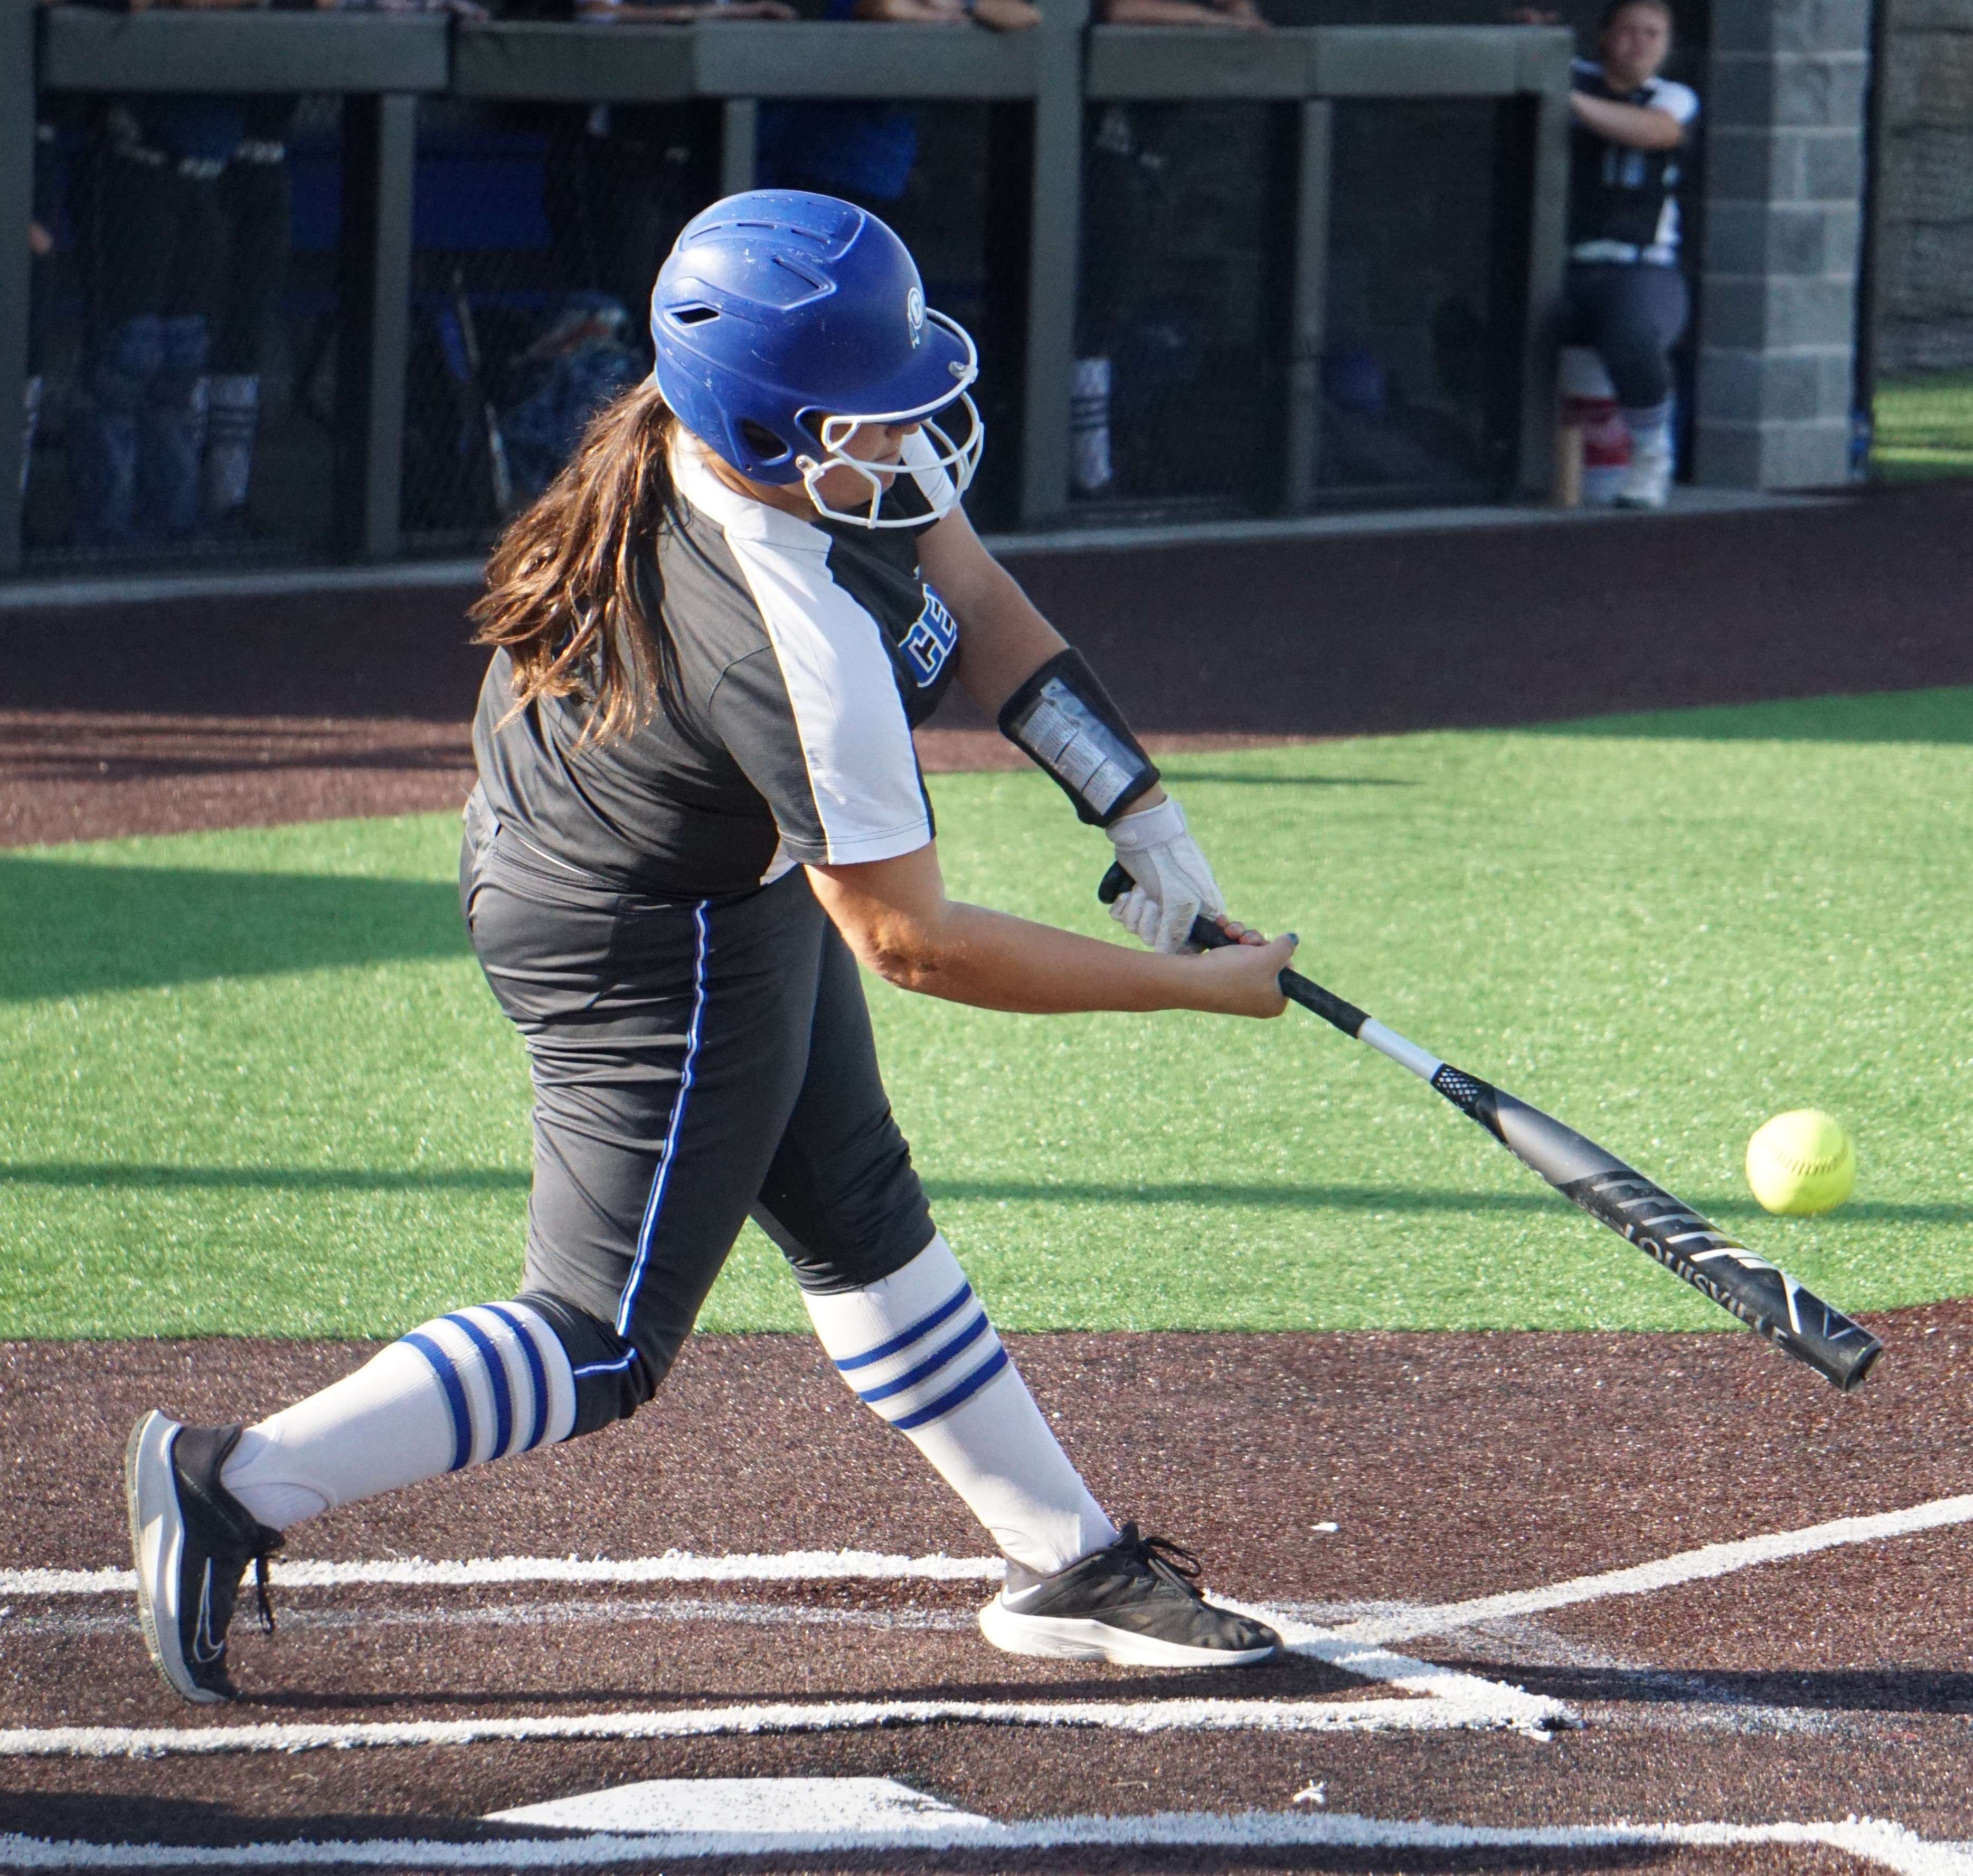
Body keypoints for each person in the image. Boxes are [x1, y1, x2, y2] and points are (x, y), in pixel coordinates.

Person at [125, 189, 1299, 1707]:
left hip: (691, 874)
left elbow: (978, 595)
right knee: (605, 1336)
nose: (910, 434)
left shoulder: (782, 453)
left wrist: (1132, 802)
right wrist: (1193, 987)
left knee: (856, 1204)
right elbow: (914, 941)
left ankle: (1066, 1558)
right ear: (775, 427)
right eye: (869, 414)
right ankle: (234, 1481)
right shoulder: (785, 630)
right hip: (631, 932)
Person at [1560, 0, 1698, 510]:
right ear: (1603, 37)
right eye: (1628, 31)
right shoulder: (1572, 75)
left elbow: (1655, 131)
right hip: (1560, 263)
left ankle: (1650, 456)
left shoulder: (1672, 97)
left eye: (1653, 34)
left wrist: (1570, 102)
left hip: (1641, 267)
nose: (1639, 42)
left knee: (1632, 333)